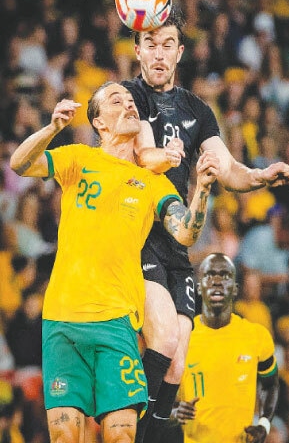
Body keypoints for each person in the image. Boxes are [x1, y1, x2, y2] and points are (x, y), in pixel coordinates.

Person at [121, 7, 289, 443]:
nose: (159, 53)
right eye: (151, 43)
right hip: (134, 234)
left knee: (178, 361)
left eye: (168, 44)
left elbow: (227, 167)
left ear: (180, 52)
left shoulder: (196, 110)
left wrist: (259, 177)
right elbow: (141, 150)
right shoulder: (126, 98)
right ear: (137, 50)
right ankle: (134, 433)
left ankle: (150, 432)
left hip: (176, 242)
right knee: (163, 338)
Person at [9, 82, 219, 443]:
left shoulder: (153, 182)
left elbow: (185, 232)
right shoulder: (78, 158)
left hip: (117, 324)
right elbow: (20, 164)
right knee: (64, 438)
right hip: (63, 321)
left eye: (131, 100)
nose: (129, 104)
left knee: (121, 438)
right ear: (98, 122)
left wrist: (201, 190)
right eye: (116, 100)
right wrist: (52, 128)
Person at [172, 252, 279, 443]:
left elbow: (270, 385)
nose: (217, 281)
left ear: (236, 289)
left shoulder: (256, 336)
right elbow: (155, 398)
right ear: (198, 287)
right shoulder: (181, 337)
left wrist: (264, 424)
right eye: (210, 274)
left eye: (225, 275)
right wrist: (174, 412)